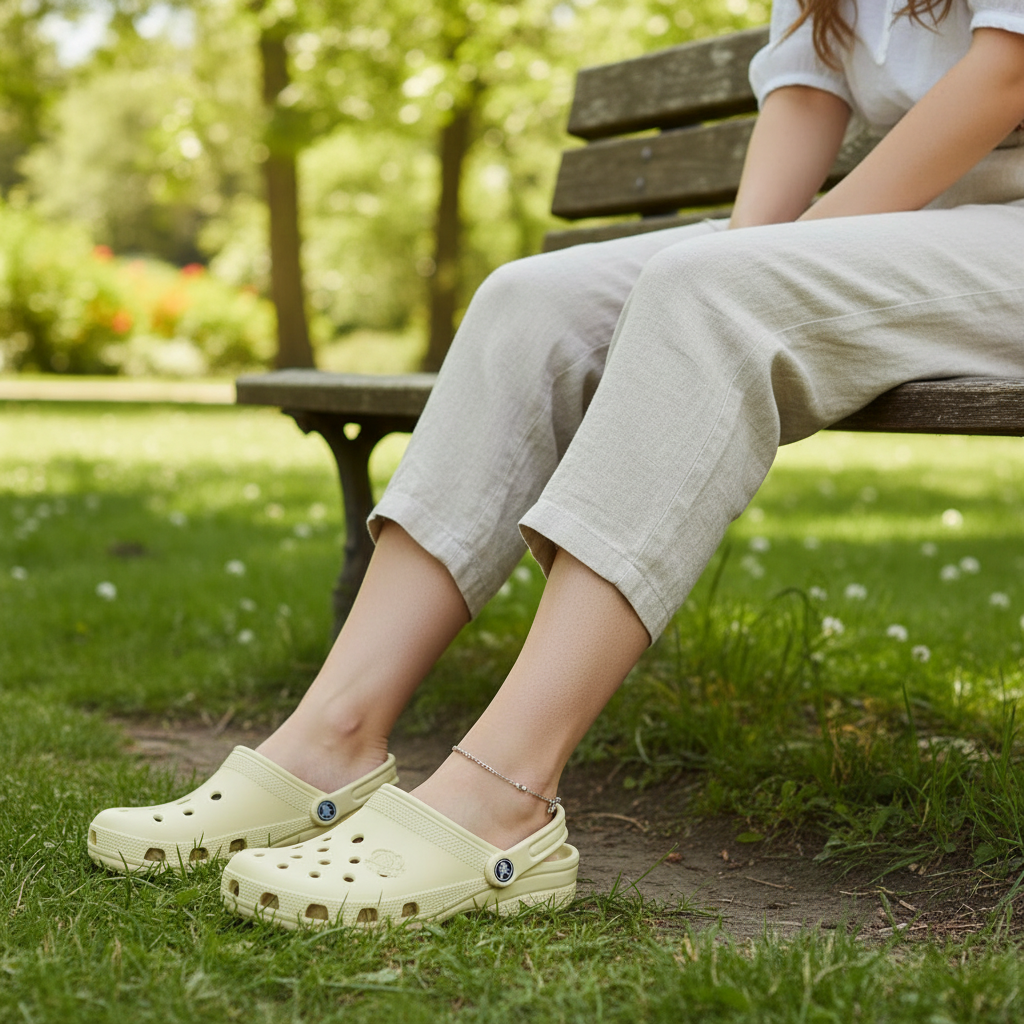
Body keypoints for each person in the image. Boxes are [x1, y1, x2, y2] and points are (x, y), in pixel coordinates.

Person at [89, 0, 1024, 928]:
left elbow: (1003, 72)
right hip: (922, 223)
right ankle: (327, 739)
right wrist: (755, 247)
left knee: (712, 296)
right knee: (528, 303)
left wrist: (760, 268)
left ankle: (505, 792)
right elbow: (806, 94)